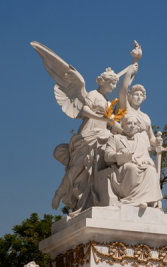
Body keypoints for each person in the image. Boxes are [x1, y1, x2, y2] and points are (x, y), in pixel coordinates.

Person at [52, 66, 137, 214]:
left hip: (104, 135)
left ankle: (95, 197)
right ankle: (60, 192)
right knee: (77, 167)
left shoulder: (108, 101)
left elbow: (124, 92)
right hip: (89, 133)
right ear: (103, 82)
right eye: (112, 83)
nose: (114, 86)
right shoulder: (93, 94)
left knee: (100, 166)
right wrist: (102, 117)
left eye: (115, 83)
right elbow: (84, 110)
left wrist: (133, 65)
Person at [104, 115, 162, 208]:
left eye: (135, 123)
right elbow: (107, 156)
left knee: (151, 170)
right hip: (121, 169)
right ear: (123, 125)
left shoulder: (141, 140)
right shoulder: (115, 138)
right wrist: (119, 156)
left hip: (140, 165)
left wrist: (146, 161)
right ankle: (131, 200)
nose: (132, 125)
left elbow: (146, 157)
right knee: (132, 168)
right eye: (129, 123)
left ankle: (146, 200)